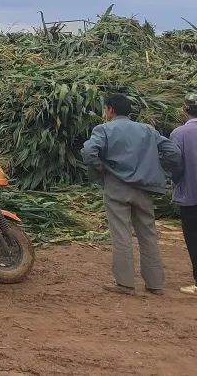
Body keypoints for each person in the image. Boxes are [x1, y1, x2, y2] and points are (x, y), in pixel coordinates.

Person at [81, 92, 181, 295]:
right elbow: (174, 152)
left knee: (121, 234)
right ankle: (155, 284)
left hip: (117, 187)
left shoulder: (104, 129)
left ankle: (125, 283)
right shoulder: (148, 130)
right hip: (145, 189)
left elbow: (89, 152)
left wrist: (102, 170)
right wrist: (160, 169)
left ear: (110, 109)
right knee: (148, 234)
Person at [170, 93, 197, 296]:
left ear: (185, 110)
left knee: (193, 237)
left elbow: (175, 163)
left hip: (190, 194)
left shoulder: (179, 133)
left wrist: (176, 180)